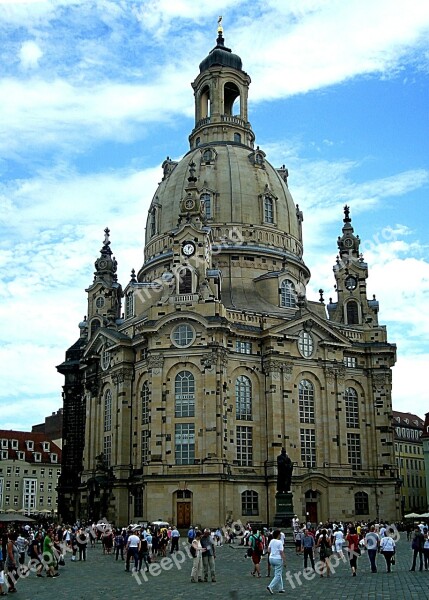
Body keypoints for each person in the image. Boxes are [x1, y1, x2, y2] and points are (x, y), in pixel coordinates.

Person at [267, 529, 285, 594]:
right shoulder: (280, 542)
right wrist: (284, 561)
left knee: (278, 573)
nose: (280, 535)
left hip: (271, 558)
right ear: (278, 535)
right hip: (278, 559)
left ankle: (281, 588)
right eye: (280, 534)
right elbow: (281, 552)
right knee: (277, 574)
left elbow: (268, 550)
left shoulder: (271, 541)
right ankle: (270, 586)